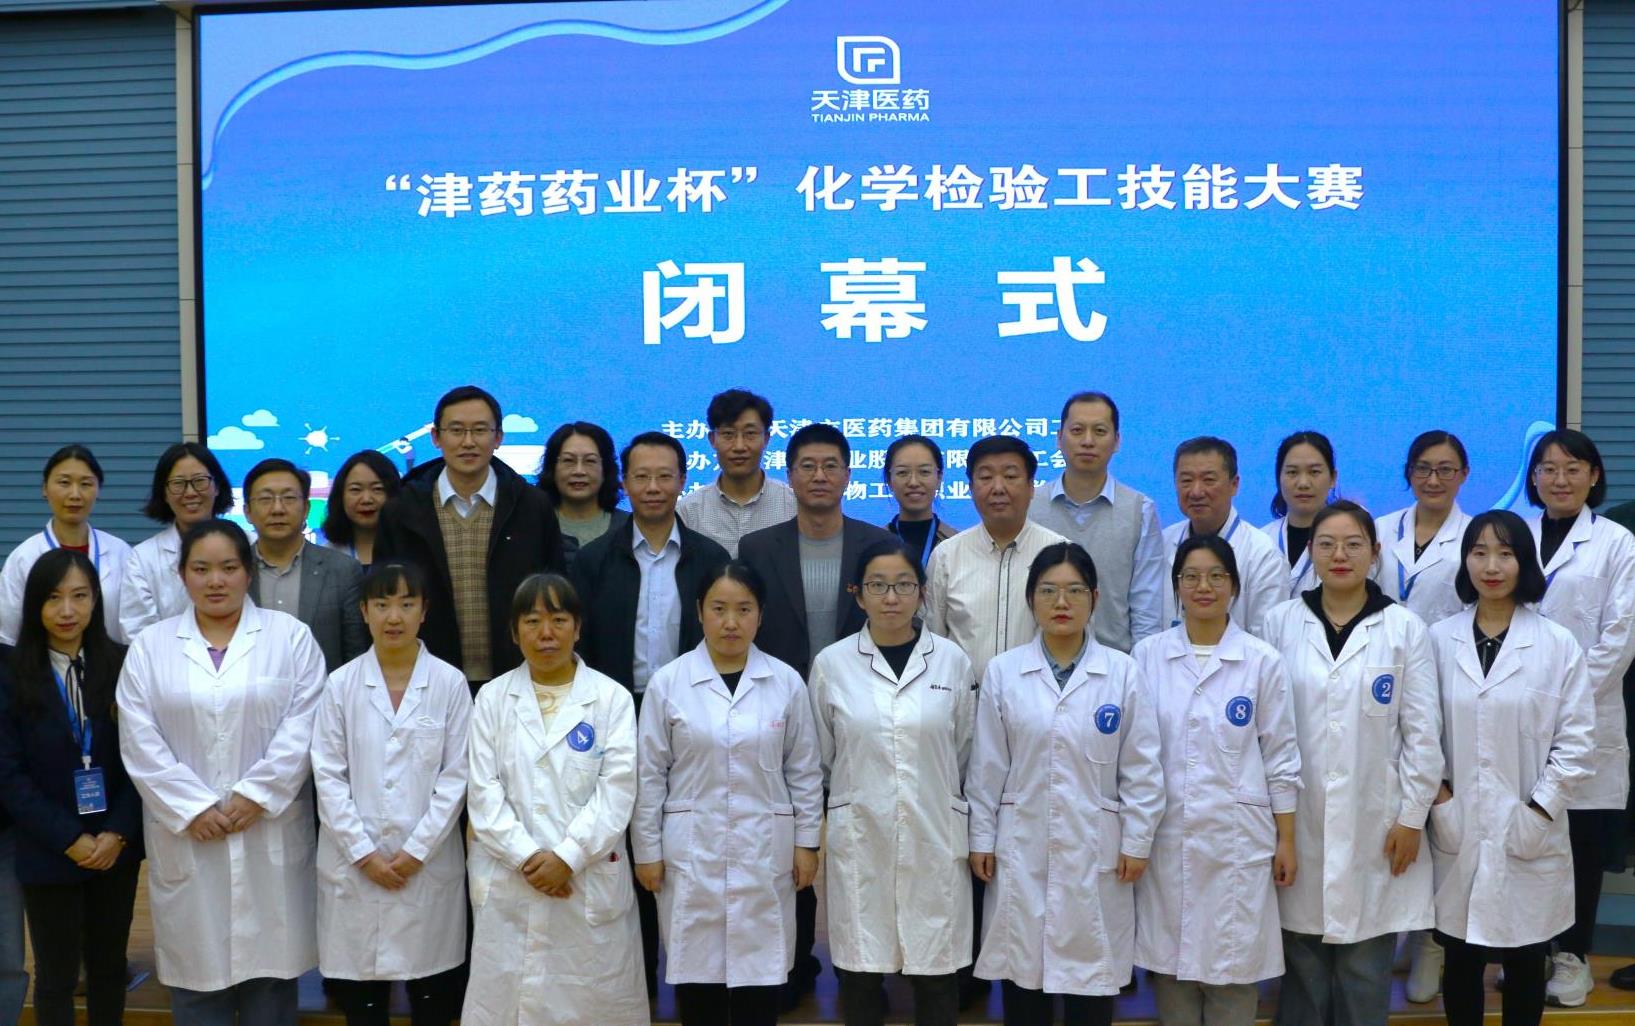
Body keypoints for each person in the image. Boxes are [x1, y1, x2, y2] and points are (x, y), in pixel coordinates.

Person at [117, 519, 327, 1025]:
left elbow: (306, 722)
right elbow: (138, 735)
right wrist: (191, 807)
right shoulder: (151, 646)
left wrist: (258, 794)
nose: (216, 581)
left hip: (267, 827)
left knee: (270, 982)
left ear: (248, 572)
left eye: (229, 567)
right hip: (189, 836)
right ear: (182, 575)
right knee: (197, 980)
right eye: (201, 569)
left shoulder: (290, 637)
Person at [966, 542, 1165, 1026]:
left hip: (1097, 850)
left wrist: (1137, 842)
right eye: (1048, 590)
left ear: (1094, 598)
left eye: (1075, 591)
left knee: (1090, 985)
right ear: (1030, 599)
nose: (1061, 602)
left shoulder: (1121, 671)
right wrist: (981, 839)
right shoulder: (1004, 672)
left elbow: (1142, 768)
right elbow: (987, 768)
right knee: (1024, 984)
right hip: (1021, 847)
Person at [1260, 501, 1442, 1026]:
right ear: (1311, 554)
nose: (1339, 555)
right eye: (1326, 544)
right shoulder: (1278, 624)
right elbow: (1265, 733)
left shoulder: (1404, 628)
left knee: (1365, 972)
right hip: (1299, 821)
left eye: (1353, 544)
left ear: (1375, 552)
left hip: (1377, 825)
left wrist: (1412, 818)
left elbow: (1423, 734)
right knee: (1303, 973)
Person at [571, 430, 729, 994]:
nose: (654, 487)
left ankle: (695, 980)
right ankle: (631, 982)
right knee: (618, 844)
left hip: (692, 717)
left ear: (683, 480)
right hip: (617, 711)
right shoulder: (594, 559)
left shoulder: (711, 558)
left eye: (665, 476)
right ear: (624, 481)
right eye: (642, 476)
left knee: (684, 843)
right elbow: (582, 646)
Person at [634, 563, 824, 1026]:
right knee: (698, 980)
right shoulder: (669, 682)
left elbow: (803, 771)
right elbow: (649, 775)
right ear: (699, 611)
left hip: (765, 850)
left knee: (760, 979)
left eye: (744, 609)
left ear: (761, 615)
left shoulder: (785, 682)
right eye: (719, 609)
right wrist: (647, 851)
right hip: (690, 850)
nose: (731, 622)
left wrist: (807, 843)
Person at [1427, 511, 1594, 1026]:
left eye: (1505, 553)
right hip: (1457, 822)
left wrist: (1539, 810)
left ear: (1525, 562)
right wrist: (1442, 799)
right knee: (1460, 956)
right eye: (1479, 553)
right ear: (1465, 562)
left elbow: (1577, 740)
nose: (1491, 566)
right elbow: (1420, 732)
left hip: (1529, 823)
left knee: (1526, 958)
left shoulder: (1556, 643)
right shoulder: (1437, 639)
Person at [463, 574, 648, 1026]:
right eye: (532, 621)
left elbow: (617, 791)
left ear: (577, 628)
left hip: (585, 880)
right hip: (513, 879)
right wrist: (529, 858)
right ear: (514, 632)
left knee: (592, 1007)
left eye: (559, 620)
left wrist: (567, 857)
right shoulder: (492, 699)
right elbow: (483, 793)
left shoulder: (611, 699)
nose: (546, 633)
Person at [807, 539, 976, 1026]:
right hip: (862, 835)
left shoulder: (951, 661)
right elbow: (822, 757)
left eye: (903, 585)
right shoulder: (832, 664)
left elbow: (963, 750)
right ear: (858, 595)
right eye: (877, 586)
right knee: (860, 973)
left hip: (934, 833)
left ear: (922, 593)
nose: (891, 598)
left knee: (936, 972)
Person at [1132, 535, 1300, 1026]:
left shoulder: (1262, 660)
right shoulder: (1147, 656)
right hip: (1167, 837)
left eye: (1215, 576)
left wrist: (1287, 840)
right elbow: (1135, 756)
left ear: (1235, 586)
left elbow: (1281, 756)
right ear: (1175, 587)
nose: (1203, 587)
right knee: (1173, 973)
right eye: (1190, 577)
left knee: (1233, 976)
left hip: (1237, 843)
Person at [311, 562, 472, 1026]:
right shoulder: (341, 684)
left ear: (424, 611)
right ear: (364, 612)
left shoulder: (449, 683)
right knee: (363, 1004)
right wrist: (363, 854)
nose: (394, 617)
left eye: (406, 603)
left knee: (432, 998)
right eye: (382, 604)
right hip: (354, 866)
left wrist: (416, 851)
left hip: (427, 865)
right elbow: (328, 775)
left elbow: (458, 776)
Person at [0, 549, 143, 1026]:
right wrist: (68, 838)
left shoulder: (124, 664)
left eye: (80, 596)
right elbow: (8, 774)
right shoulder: (11, 673)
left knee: (109, 968)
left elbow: (145, 761)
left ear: (96, 601)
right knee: (56, 975)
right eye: (53, 598)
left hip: (114, 846)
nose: (67, 610)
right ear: (34, 604)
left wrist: (117, 833)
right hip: (48, 846)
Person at [1520, 429, 1635, 1007]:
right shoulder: (1513, 534)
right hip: (1516, 715)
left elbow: (1620, 635)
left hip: (1587, 716)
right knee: (1528, 836)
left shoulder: (1617, 543)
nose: (1559, 479)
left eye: (1572, 468)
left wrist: (1564, 703)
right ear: (1533, 477)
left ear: (1594, 476)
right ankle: (1530, 952)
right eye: (1547, 468)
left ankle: (1573, 956)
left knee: (1582, 844)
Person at [375, 385, 566, 691]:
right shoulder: (402, 511)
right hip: (427, 681)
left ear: (498, 437)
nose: (468, 442)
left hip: (518, 678)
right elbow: (382, 599)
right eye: (456, 430)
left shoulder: (532, 507)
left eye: (479, 430)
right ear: (436, 437)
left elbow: (556, 594)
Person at [1372, 430, 1472, 1002]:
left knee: (1440, 810)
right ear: (1408, 473)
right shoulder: (1379, 531)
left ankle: (1433, 941)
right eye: (1423, 468)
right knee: (1395, 806)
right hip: (1381, 687)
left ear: (1463, 475)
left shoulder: (1473, 538)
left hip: (1451, 688)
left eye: (1445, 469)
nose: (1433, 479)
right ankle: (1399, 928)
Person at [739, 422, 895, 679]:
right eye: (808, 466)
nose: (819, 476)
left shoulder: (880, 545)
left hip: (863, 688)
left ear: (848, 476)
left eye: (831, 466)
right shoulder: (756, 549)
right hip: (777, 689)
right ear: (789, 477)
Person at [1028, 391, 1166, 653]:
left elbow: (1146, 606)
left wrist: (1139, 667)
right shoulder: (1031, 506)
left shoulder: (1139, 510)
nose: (1088, 441)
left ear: (1117, 441)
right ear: (1059, 438)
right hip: (1040, 663)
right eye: (1077, 430)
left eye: (1100, 431)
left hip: (1116, 665)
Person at [925, 435, 1067, 683]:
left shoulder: (1062, 554)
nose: (998, 488)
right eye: (986, 477)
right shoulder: (946, 556)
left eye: (1010, 476)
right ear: (971, 488)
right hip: (964, 702)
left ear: (1031, 487)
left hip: (1040, 701)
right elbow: (931, 641)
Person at [0, 445, 135, 646]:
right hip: (41, 665)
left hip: (111, 663)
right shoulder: (23, 558)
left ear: (98, 490)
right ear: (45, 488)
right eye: (64, 482)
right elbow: (7, 636)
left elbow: (133, 626)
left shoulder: (121, 553)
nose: (75, 494)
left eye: (86, 484)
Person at [244, 458, 369, 672]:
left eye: (289, 498)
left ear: (306, 509)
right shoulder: (233, 570)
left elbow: (356, 656)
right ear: (247, 511)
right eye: (265, 499)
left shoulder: (343, 570)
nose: (277, 509)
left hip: (324, 692)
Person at [1162, 437, 1284, 637]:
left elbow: (1267, 640)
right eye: (1186, 480)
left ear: (1234, 484)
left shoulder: (1263, 554)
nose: (1196, 491)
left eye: (1209, 480)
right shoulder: (1163, 543)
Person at [119, 441, 233, 640]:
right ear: (164, 493)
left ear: (217, 487)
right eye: (178, 483)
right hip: (165, 659)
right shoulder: (143, 558)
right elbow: (137, 635)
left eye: (200, 481)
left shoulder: (247, 544)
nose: (190, 492)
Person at [676, 389, 798, 557]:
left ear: (766, 439)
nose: (739, 446)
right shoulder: (688, 512)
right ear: (712, 439)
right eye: (728, 434)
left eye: (750, 434)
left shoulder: (793, 506)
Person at [1260, 431, 1337, 601]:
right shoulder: (1261, 542)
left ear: (1333, 478)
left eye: (1314, 472)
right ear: (1278, 478)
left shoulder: (1351, 539)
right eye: (1292, 472)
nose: (1303, 483)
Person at [540, 421, 629, 564]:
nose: (579, 471)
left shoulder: (630, 528)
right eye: (569, 460)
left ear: (605, 469)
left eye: (590, 461)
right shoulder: (533, 526)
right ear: (552, 467)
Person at [320, 450, 403, 570]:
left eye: (377, 489)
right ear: (340, 496)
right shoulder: (326, 558)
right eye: (356, 489)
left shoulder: (414, 552)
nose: (366, 499)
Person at [883, 435, 957, 568]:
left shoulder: (958, 543)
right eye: (902, 472)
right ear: (889, 480)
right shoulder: (873, 543)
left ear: (939, 478)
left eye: (924, 472)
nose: (913, 482)